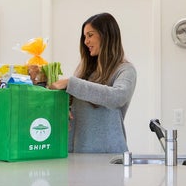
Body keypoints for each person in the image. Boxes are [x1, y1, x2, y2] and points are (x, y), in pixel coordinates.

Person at [49, 12, 136, 153]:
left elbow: (117, 97)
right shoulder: (85, 71)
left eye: (90, 35)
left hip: (108, 156)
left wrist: (71, 83)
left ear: (106, 36)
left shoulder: (125, 70)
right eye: (84, 37)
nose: (86, 42)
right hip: (76, 153)